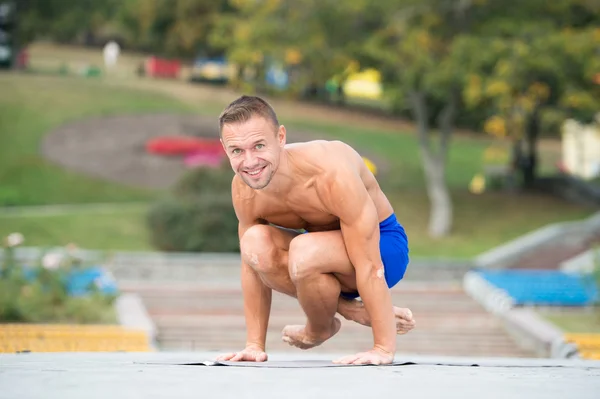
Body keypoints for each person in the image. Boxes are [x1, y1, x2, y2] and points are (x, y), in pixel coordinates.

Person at [215, 95, 415, 366]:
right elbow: (252, 268)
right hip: (317, 259)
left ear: (281, 137)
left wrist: (382, 348)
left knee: (304, 250)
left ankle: (322, 324)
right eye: (237, 151)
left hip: (383, 249)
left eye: (259, 146)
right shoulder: (243, 189)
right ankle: (325, 325)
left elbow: (369, 264)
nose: (250, 162)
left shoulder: (329, 173)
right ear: (225, 149)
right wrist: (254, 345)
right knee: (254, 244)